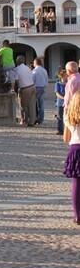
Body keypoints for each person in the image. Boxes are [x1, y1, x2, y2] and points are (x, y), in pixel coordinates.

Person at [63, 90, 80, 225]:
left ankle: (77, 215)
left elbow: (65, 137)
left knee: (76, 184)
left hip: (75, 148)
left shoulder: (68, 117)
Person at [15, 55, 37, 126]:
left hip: (25, 88)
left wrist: (16, 88)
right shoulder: (27, 68)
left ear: (18, 61)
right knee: (32, 105)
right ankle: (32, 121)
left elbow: (16, 80)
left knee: (23, 105)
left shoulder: (17, 69)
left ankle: (24, 119)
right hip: (32, 86)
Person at [32, 58, 49, 124]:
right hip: (43, 88)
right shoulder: (44, 70)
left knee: (34, 104)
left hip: (36, 88)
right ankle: (41, 119)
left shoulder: (34, 71)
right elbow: (46, 80)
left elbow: (32, 81)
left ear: (35, 63)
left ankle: (35, 117)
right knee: (41, 104)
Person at [56, 71, 67, 136]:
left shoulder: (68, 83)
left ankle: (67, 130)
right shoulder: (58, 83)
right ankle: (60, 130)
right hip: (60, 102)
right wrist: (64, 98)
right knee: (60, 116)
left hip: (68, 102)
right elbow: (57, 93)